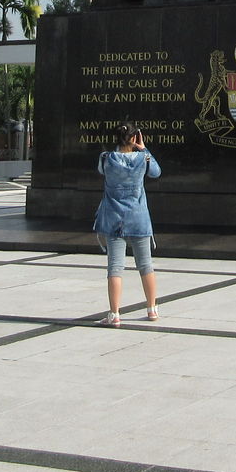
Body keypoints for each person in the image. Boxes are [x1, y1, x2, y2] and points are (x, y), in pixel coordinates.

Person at [92, 122, 161, 325]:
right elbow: (156, 172)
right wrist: (143, 148)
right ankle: (152, 309)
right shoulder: (143, 158)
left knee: (115, 267)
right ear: (134, 138)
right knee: (146, 265)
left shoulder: (106, 158)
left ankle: (114, 314)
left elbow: (101, 172)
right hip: (138, 218)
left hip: (114, 219)